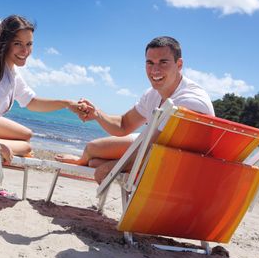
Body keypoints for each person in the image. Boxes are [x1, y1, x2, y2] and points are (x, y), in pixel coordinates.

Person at [55, 36, 214, 183]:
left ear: (179, 65)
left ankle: (99, 163)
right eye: (150, 63)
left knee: (100, 165)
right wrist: (97, 114)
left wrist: (113, 168)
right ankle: (83, 161)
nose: (155, 70)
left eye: (163, 62)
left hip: (176, 166)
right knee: (92, 149)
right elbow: (124, 124)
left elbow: (152, 150)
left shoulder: (190, 102)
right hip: (154, 150)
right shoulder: (153, 94)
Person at [0, 15, 85, 166]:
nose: (25, 50)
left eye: (29, 44)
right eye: (18, 43)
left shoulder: (9, 71)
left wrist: (66, 103)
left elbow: (32, 102)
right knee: (26, 147)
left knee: (27, 134)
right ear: (4, 43)